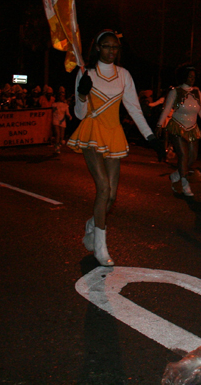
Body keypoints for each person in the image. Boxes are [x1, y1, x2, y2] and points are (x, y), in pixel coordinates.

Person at [67, 30, 164, 266]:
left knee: (111, 195)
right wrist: (81, 94)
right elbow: (80, 114)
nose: (112, 51)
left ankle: (92, 224)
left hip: (113, 133)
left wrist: (151, 137)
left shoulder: (124, 75)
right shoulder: (86, 73)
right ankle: (100, 247)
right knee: (103, 188)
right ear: (98, 47)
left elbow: (134, 109)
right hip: (92, 130)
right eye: (107, 46)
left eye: (115, 47)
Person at [155, 64, 201, 197]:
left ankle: (177, 174)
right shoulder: (175, 92)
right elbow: (166, 109)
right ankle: (184, 183)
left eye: (194, 77)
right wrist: (159, 124)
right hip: (177, 126)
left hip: (193, 128)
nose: (192, 79)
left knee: (192, 157)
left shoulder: (197, 92)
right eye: (189, 76)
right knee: (183, 155)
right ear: (183, 77)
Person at [51, 88, 71, 154]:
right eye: (60, 96)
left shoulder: (65, 105)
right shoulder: (54, 104)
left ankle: (58, 144)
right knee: (57, 134)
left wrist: (69, 116)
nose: (61, 97)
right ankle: (56, 148)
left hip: (62, 121)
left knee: (62, 137)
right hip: (56, 120)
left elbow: (67, 113)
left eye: (63, 96)